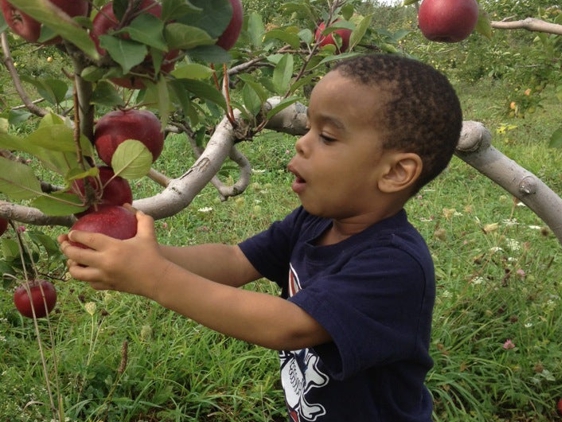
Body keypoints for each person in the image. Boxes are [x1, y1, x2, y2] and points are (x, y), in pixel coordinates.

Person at [59, 53, 463, 422]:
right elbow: (236, 261)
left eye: (327, 137)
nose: (302, 143)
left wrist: (154, 277)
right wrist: (145, 254)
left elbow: (289, 326)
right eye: (308, 128)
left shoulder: (395, 264)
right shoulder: (313, 222)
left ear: (395, 173)